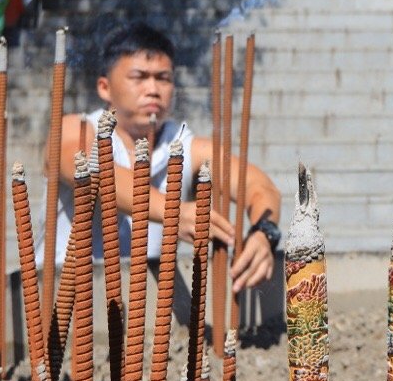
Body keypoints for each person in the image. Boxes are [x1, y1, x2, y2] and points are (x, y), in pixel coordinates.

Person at [55, 22, 280, 293]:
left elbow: (258, 186)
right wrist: (174, 212)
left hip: (151, 313)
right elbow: (89, 171)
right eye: (139, 77)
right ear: (105, 87)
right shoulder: (76, 129)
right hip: (71, 301)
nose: (153, 89)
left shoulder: (183, 144)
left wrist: (264, 233)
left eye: (163, 78)